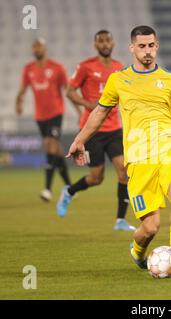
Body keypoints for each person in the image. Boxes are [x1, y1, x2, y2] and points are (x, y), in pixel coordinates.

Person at [66, 25, 171, 272]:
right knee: (150, 228)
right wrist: (79, 139)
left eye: (151, 45)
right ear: (132, 48)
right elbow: (99, 113)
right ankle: (138, 251)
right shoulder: (118, 80)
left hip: (169, 152)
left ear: (157, 47)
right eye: (142, 46)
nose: (147, 51)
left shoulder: (170, 81)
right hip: (138, 159)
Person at [56, 30, 135, 231]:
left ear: (113, 43)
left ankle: (120, 220)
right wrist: (88, 105)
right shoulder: (86, 67)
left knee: (124, 172)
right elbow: (70, 91)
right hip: (92, 131)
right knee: (96, 177)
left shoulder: (119, 68)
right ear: (95, 45)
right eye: (100, 41)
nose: (105, 43)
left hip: (114, 129)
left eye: (108, 40)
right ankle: (69, 191)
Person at [15, 38, 71, 202]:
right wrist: (18, 102)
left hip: (56, 113)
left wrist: (80, 110)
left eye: (39, 46)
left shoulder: (57, 68)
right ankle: (70, 187)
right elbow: (23, 89)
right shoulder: (29, 69)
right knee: (57, 151)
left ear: (45, 49)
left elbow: (68, 89)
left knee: (50, 146)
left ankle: (47, 189)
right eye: (34, 47)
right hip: (40, 116)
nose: (37, 49)